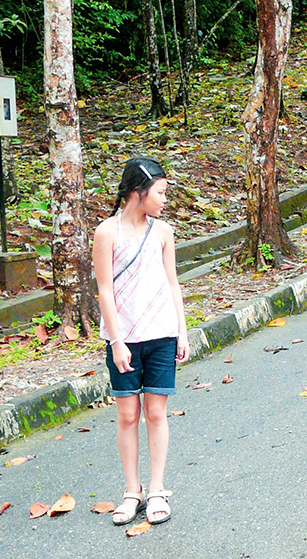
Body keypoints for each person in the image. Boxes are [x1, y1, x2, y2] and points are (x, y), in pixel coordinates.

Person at [92, 157, 188, 526]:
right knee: (128, 414)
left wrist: (182, 330)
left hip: (162, 333)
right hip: (124, 339)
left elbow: (173, 282)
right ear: (138, 192)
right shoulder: (107, 233)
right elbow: (104, 290)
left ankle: (158, 488)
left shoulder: (163, 232)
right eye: (160, 192)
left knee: (156, 413)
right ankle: (133, 492)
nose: (164, 200)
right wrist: (116, 341)